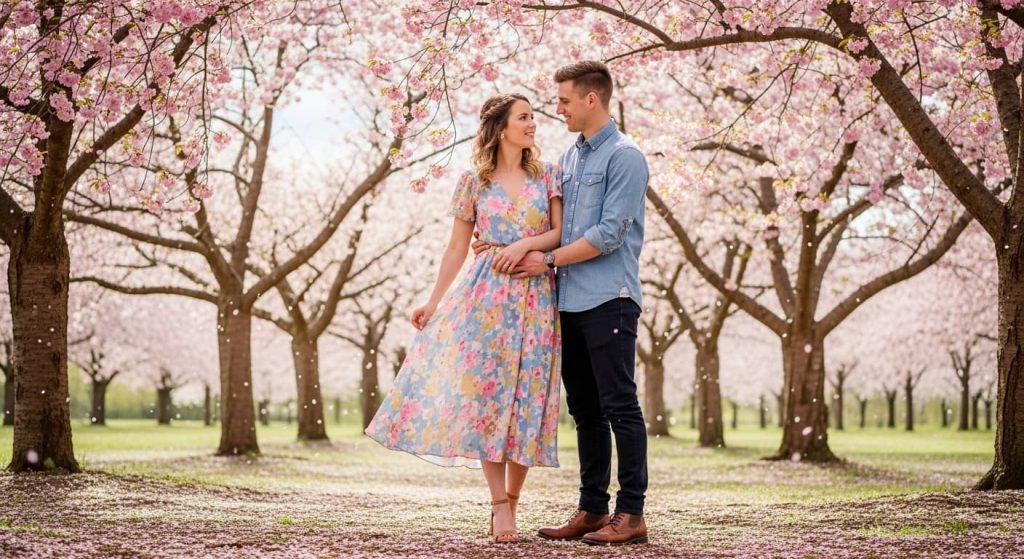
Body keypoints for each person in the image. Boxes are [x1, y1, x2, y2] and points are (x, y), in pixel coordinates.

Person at [365, 93, 564, 544]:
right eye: (524, 117)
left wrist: (521, 247)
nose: (533, 124)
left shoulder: (548, 174)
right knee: (491, 401)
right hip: (487, 300)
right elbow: (457, 247)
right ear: (500, 128)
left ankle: (513, 501)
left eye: (533, 117)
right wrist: (433, 302)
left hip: (536, 300)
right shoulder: (473, 181)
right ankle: (499, 506)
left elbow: (559, 232)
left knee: (527, 402)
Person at [479, 60, 650, 546]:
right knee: (586, 410)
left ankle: (631, 513)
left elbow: (610, 233)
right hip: (568, 303)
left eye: (564, 101)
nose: (557, 110)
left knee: (620, 405)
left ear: (591, 99)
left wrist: (546, 259)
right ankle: (593, 508)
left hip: (609, 298)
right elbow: (550, 222)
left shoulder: (625, 155)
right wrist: (504, 246)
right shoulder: (569, 159)